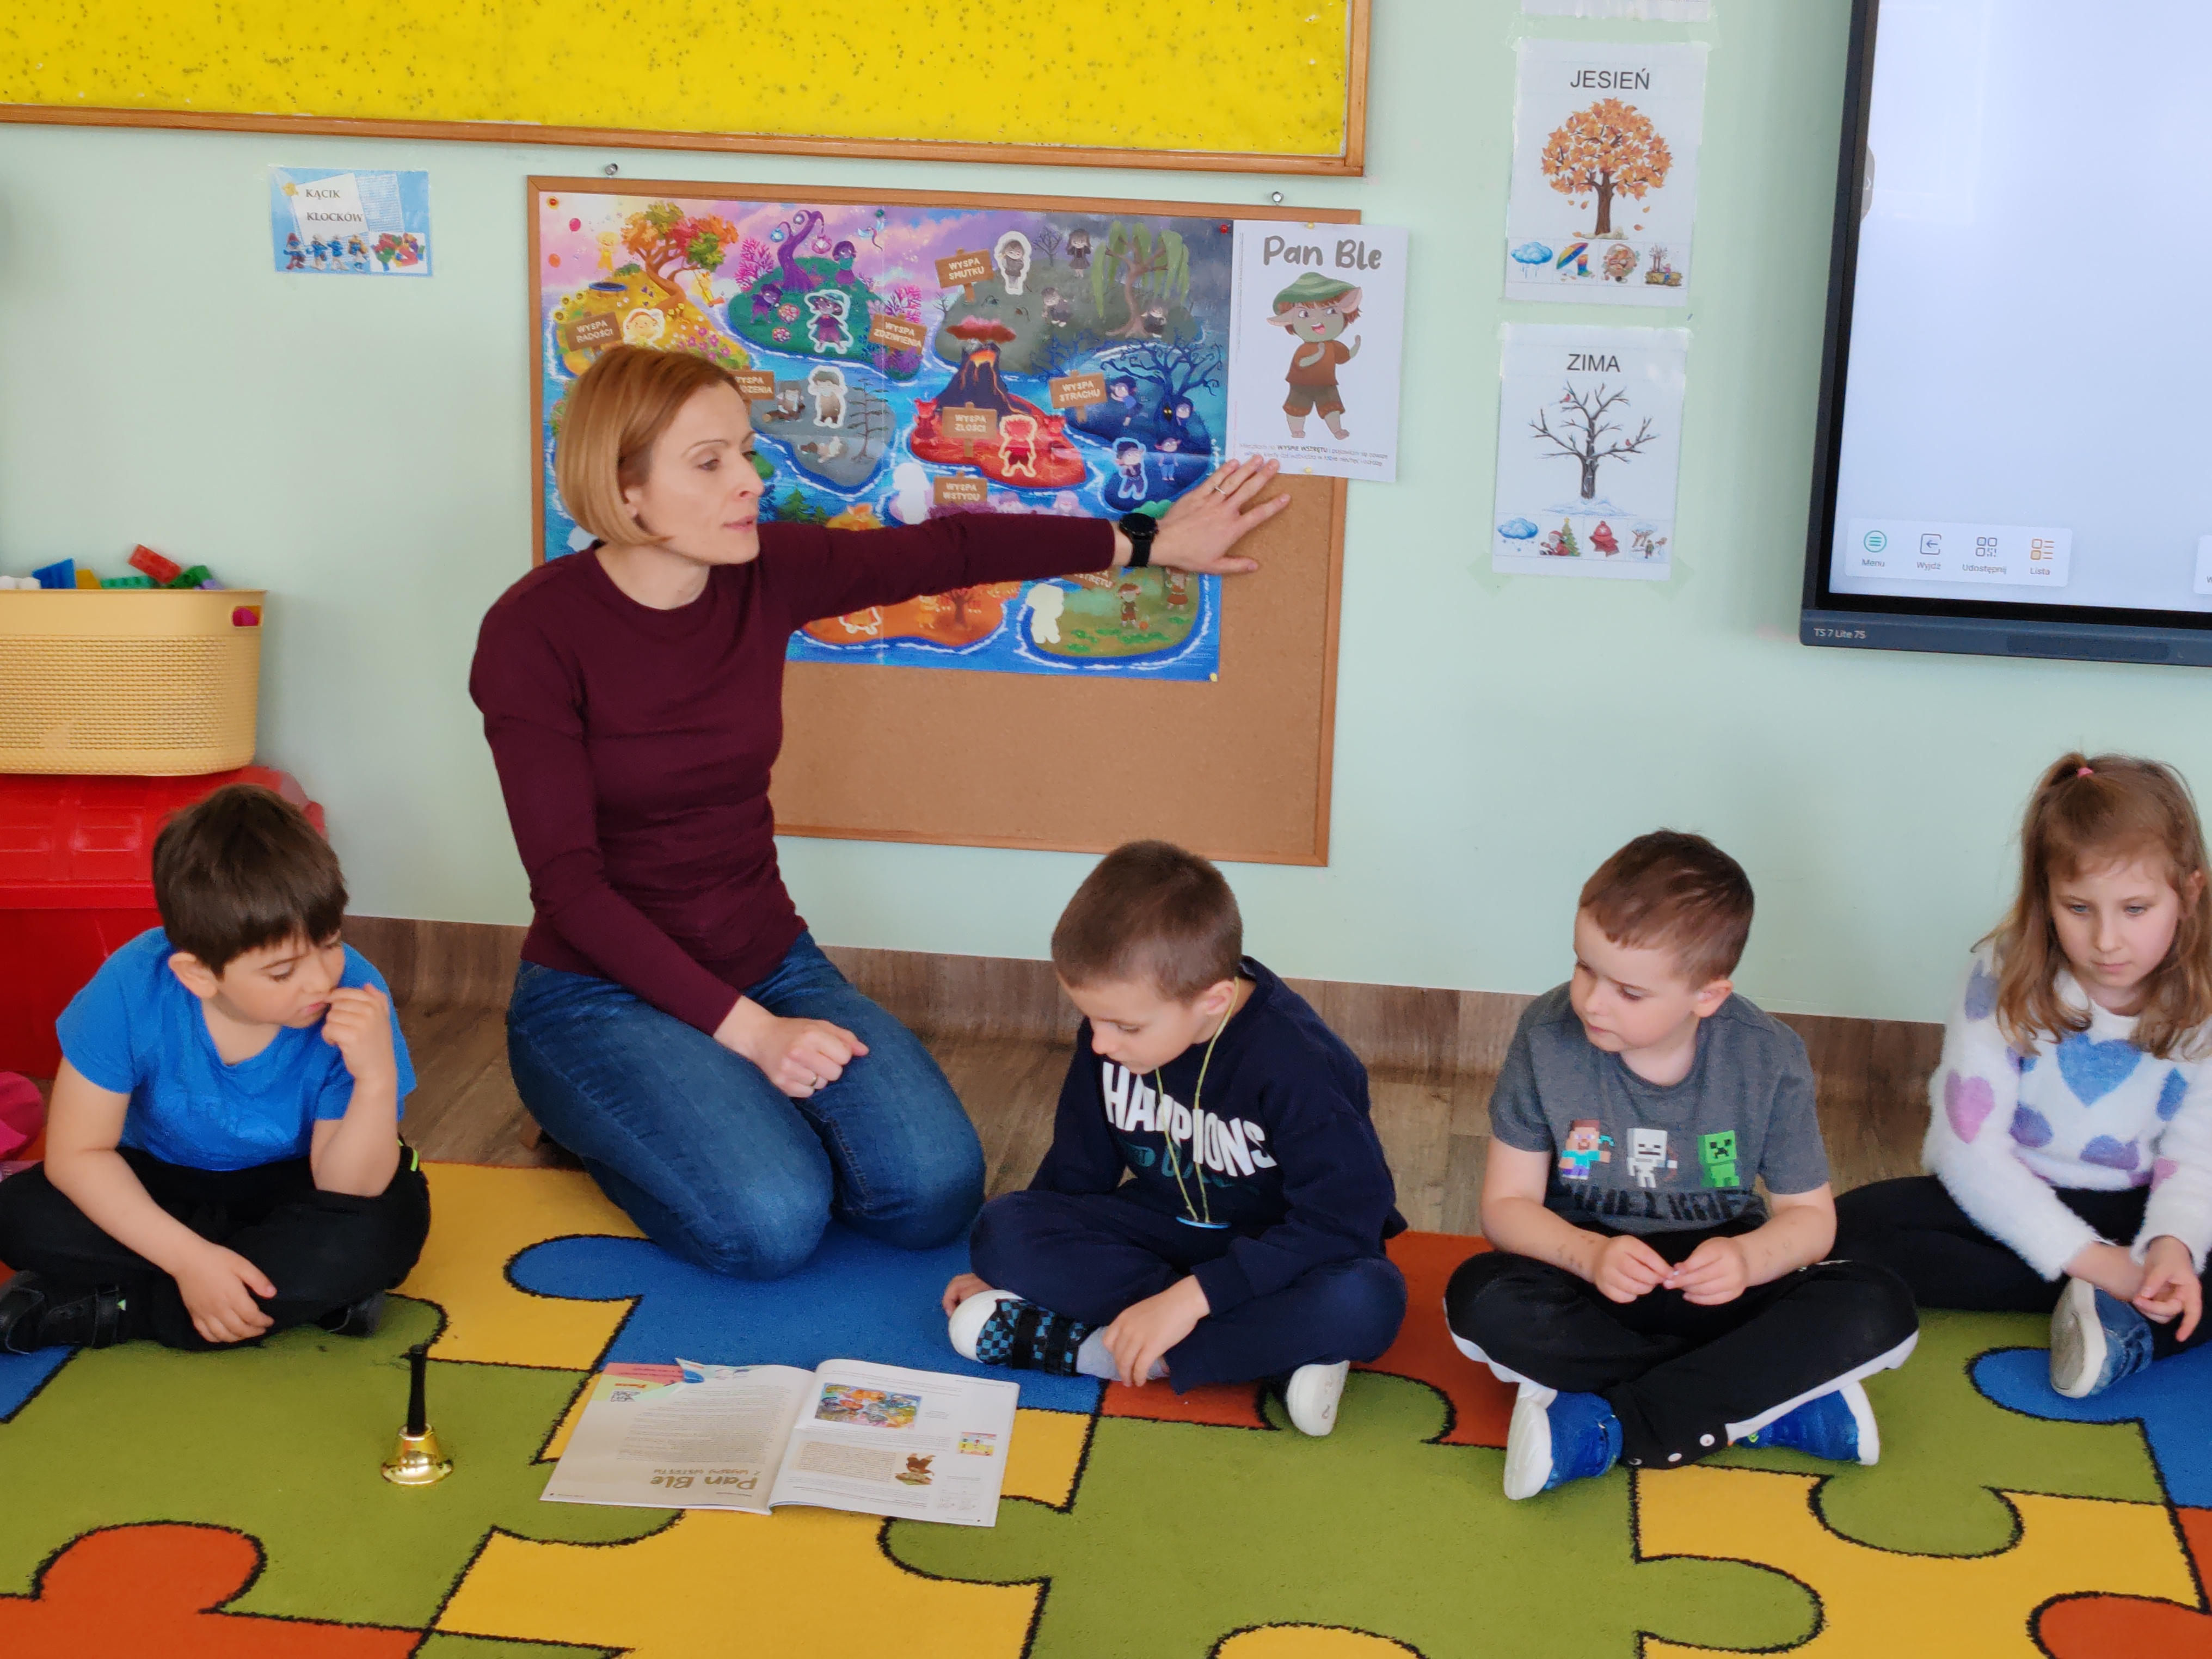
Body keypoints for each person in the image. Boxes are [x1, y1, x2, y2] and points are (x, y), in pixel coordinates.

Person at [473, 346, 1286, 1280]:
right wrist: (752, 1036)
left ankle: (707, 1102)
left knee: (933, 1193)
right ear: (625, 489)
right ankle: (590, 1115)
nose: (750, 481)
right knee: (772, 1226)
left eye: (745, 451)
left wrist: (1147, 542)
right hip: (596, 993)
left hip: (765, 961)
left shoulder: (766, 571)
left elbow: (955, 550)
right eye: (709, 462)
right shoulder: (534, 632)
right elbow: (571, 890)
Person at [1447, 832, 1918, 1500]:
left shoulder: (1768, 1056)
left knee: (1878, 1303)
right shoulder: (1544, 1037)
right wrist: (1588, 1256)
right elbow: (1505, 1206)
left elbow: (1810, 1219)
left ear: (1707, 996)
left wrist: (1746, 1261)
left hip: (1718, 1285)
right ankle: (1762, 1403)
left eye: (1629, 992)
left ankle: (1610, 1422)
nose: (1592, 1001)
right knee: (1478, 1295)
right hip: (1588, 1279)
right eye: (1583, 968)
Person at [940, 841, 1406, 1437]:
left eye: (1125, 1027)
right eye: (1091, 1018)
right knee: (1003, 1228)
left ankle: (1108, 1352)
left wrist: (1191, 1300)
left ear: (1212, 1001)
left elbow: (1342, 1222)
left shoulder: (1300, 1063)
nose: (1101, 1042)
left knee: (1366, 1300)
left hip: (1282, 1250)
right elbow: (1077, 1169)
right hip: (1166, 1232)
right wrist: (1012, 1272)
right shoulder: (1112, 1037)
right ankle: (1264, 1355)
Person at [1835, 754, 2212, 1397]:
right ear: (2045, 896)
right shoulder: (2000, 973)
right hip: (2015, 1198)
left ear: (2189, 892)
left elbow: (2198, 1155)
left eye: (2135, 908)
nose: (2106, 941)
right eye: (2078, 907)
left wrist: (2172, 1246)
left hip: (2143, 1207)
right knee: (1849, 1228)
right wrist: (2094, 1261)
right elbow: (1967, 1152)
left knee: (2190, 1259)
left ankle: (2126, 1322)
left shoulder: (2202, 997)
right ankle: (2107, 1292)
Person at [0, 784, 425, 1353]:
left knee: (385, 1223)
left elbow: (348, 1187)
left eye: (330, 943)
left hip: (295, 1184)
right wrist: (189, 1259)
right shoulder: (129, 986)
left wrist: (375, 1080)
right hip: (158, 1180)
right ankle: (304, 1298)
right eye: (281, 972)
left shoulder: (358, 992)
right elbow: (78, 1156)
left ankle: (118, 1311)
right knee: (19, 1214)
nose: (321, 980)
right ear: (198, 975)